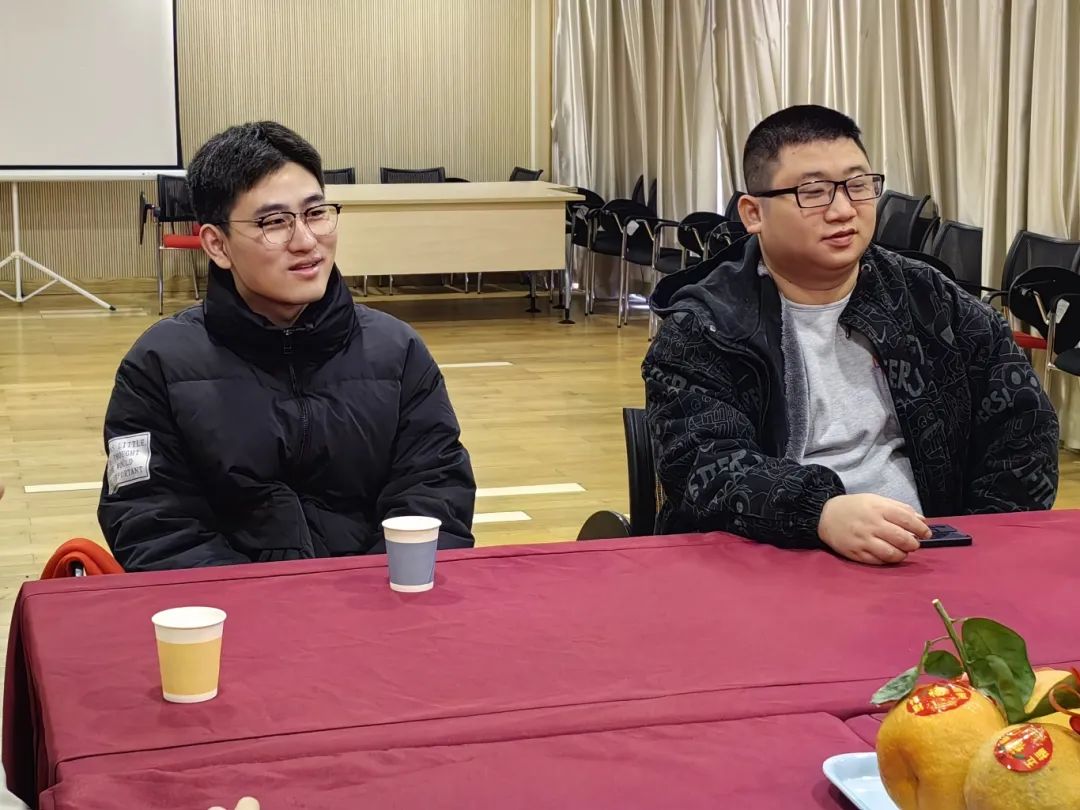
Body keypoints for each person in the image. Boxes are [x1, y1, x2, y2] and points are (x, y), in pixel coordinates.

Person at [643, 104, 1059, 565]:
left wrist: (977, 543)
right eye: (813, 192)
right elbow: (703, 465)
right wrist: (819, 512)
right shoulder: (705, 326)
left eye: (858, 186)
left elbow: (1024, 428)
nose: (843, 210)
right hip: (768, 560)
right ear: (753, 212)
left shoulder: (930, 300)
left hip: (926, 556)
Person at [98, 122, 476, 571]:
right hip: (230, 608)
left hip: (379, 598)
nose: (306, 241)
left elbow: (436, 492)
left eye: (316, 213)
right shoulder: (157, 366)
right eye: (274, 222)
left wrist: (369, 592)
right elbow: (151, 521)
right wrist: (264, 602)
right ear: (217, 244)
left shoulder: (399, 352)